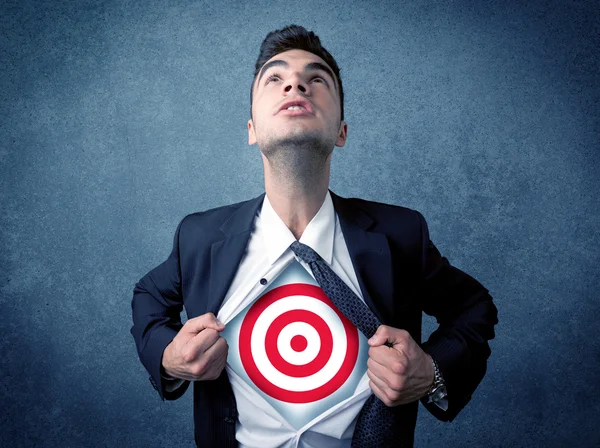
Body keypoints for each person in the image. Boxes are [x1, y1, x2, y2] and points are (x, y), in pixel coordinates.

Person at [130, 24, 499, 448]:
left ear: (341, 131)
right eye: (275, 77)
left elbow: (474, 307)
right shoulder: (197, 236)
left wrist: (431, 372)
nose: (295, 83)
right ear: (251, 129)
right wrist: (167, 357)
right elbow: (148, 297)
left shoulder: (401, 235)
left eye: (317, 78)